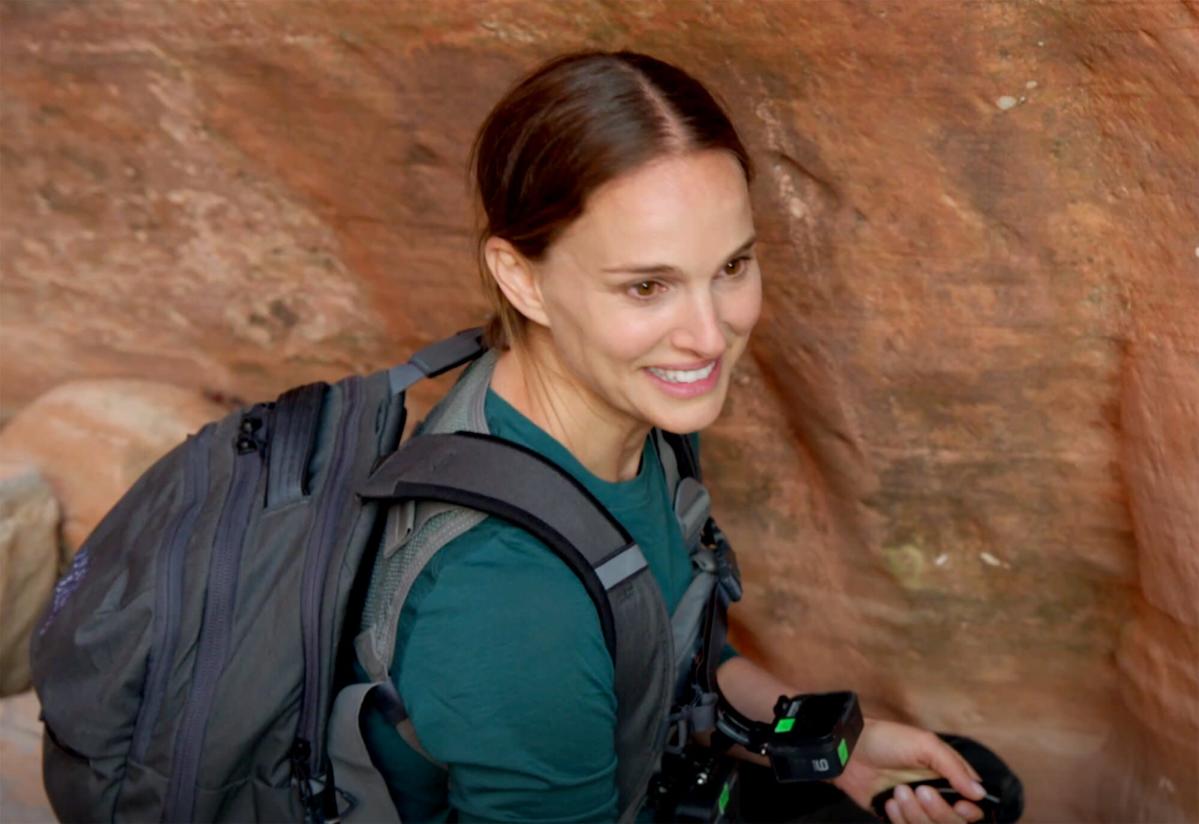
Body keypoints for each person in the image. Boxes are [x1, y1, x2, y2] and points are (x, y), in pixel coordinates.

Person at [354, 50, 1010, 824]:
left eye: (731, 266)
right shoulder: (510, 598)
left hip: (652, 772)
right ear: (520, 277)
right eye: (646, 286)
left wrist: (834, 751)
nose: (708, 337)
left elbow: (666, 652)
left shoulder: (613, 411)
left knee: (980, 784)